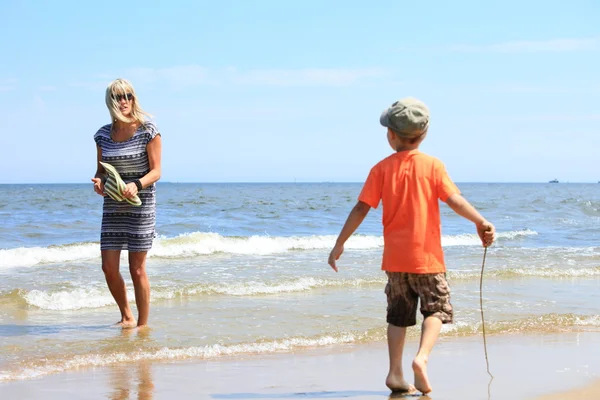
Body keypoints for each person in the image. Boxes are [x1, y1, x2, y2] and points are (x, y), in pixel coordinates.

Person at [327, 97, 495, 395]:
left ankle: (395, 373)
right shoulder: (433, 165)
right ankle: (422, 358)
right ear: (424, 134)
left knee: (398, 315)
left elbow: (361, 209)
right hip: (427, 259)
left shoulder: (380, 169)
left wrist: (339, 244)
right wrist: (479, 221)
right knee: (437, 309)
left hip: (395, 261)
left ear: (391, 135)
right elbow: (454, 199)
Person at [91, 78, 162, 329]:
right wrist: (99, 182)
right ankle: (126, 316)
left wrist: (138, 185)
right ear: (110, 101)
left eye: (128, 96)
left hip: (141, 204)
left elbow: (156, 171)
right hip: (113, 204)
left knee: (137, 269)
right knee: (108, 267)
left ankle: (142, 327)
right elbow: (101, 171)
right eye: (119, 97)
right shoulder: (102, 135)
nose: (124, 101)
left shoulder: (148, 130)